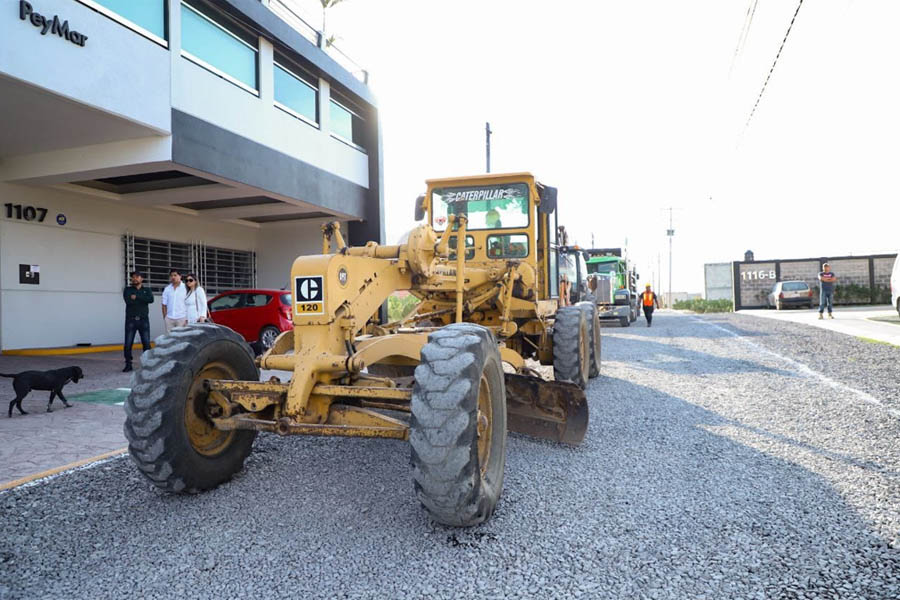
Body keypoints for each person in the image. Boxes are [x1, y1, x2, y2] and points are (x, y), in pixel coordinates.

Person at [122, 271, 154, 372]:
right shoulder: (127, 290)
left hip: (144, 320)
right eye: (133, 277)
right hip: (130, 320)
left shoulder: (147, 290)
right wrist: (142, 299)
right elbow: (129, 301)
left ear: (142, 279)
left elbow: (151, 299)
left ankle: (147, 364)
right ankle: (128, 364)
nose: (134, 279)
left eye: (137, 277)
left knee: (146, 343)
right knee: (128, 343)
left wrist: (137, 297)